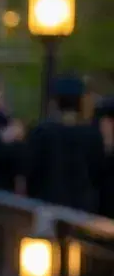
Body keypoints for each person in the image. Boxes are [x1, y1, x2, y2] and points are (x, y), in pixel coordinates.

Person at [25, 75, 103, 212]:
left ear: (56, 101)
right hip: (83, 210)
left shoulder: (41, 132)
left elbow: (31, 171)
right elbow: (97, 173)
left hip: (47, 206)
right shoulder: (91, 135)